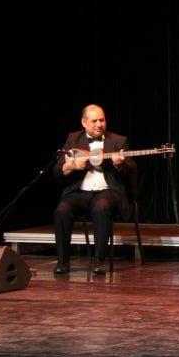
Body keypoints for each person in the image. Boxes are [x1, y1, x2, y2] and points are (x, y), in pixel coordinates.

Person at [53, 104, 135, 276]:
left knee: (101, 208)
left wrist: (120, 164)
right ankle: (63, 263)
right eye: (94, 121)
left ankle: (99, 262)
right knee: (62, 210)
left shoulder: (118, 140)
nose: (99, 124)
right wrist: (72, 165)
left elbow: (131, 171)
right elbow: (58, 170)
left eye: (102, 120)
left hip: (107, 191)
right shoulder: (73, 139)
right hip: (80, 192)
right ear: (84, 122)